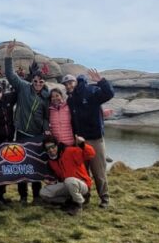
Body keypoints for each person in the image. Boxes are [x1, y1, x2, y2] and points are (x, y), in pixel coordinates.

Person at [4, 40, 50, 203]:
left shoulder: (46, 97)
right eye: (36, 81)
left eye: (41, 82)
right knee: (22, 165)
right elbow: (10, 75)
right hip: (22, 133)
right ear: (32, 80)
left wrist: (45, 129)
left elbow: (47, 117)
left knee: (36, 166)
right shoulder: (24, 87)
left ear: (44, 83)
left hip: (37, 136)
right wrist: (8, 55)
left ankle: (36, 196)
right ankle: (23, 196)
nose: (38, 84)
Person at [64, 70, 114, 208]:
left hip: (95, 140)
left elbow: (108, 94)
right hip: (80, 142)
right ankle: (85, 197)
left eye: (70, 82)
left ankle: (104, 199)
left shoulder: (91, 91)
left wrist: (101, 81)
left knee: (99, 172)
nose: (68, 86)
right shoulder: (70, 100)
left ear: (76, 82)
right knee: (83, 172)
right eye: (66, 84)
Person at [40, 135, 94, 215]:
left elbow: (90, 154)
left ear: (57, 145)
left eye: (52, 146)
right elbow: (59, 177)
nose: (51, 150)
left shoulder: (70, 151)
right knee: (44, 192)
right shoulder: (51, 161)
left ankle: (78, 205)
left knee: (69, 180)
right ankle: (68, 202)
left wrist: (82, 144)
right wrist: (52, 182)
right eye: (48, 148)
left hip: (83, 184)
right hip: (68, 185)